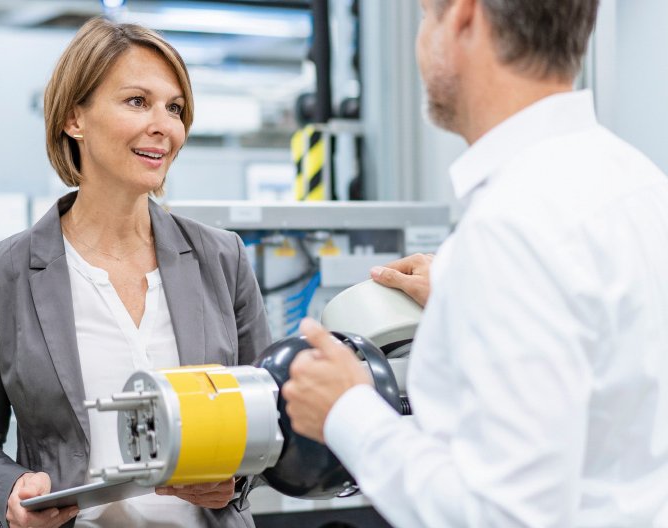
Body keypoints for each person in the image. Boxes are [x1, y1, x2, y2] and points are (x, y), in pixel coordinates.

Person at [282, 0, 668, 526]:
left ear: (463, 16)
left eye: (424, 18)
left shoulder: (512, 227)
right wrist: (471, 301)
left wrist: (347, 411)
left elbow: (501, 515)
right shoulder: (640, 183)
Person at [0, 17, 270, 528]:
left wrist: (237, 478)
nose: (164, 125)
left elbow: (270, 417)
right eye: (138, 101)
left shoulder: (221, 257)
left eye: (175, 108)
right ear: (75, 118)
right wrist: (10, 490)